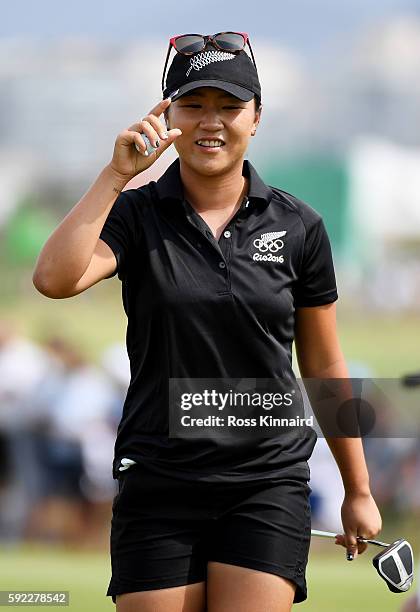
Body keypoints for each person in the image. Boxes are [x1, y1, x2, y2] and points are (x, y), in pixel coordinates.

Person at [33, 32, 383, 612]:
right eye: (193, 105)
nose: (210, 122)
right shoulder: (136, 214)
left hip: (266, 481)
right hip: (159, 479)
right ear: (166, 115)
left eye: (229, 106)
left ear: (257, 118)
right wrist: (116, 175)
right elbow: (54, 280)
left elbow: (325, 364)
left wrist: (359, 489)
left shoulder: (300, 226)